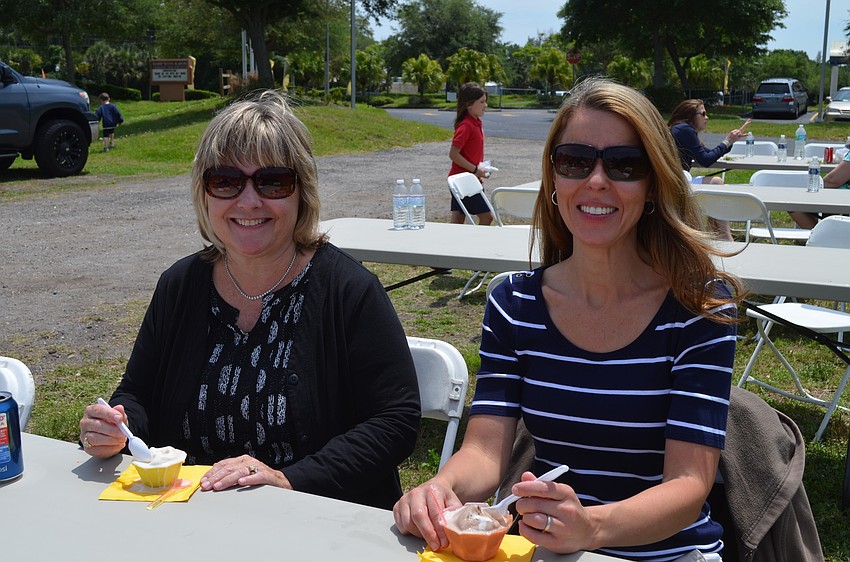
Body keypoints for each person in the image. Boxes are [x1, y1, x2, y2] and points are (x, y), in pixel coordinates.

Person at [394, 78, 746, 561]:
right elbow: (485, 450)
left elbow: (689, 485)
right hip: (554, 552)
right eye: (575, 161)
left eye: (624, 164)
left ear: (652, 185)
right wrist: (440, 487)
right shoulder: (514, 304)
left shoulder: (699, 308)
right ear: (555, 178)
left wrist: (592, 528)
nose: (596, 180)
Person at [79, 90, 421, 510]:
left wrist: (289, 479)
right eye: (225, 180)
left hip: (318, 520)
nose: (248, 201)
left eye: (272, 181)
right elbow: (138, 392)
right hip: (192, 518)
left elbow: (395, 421)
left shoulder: (348, 291)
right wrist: (117, 424)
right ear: (205, 193)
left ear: (302, 192)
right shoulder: (180, 285)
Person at [668, 99, 750, 241]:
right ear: (691, 115)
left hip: (677, 181)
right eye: (703, 113)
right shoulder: (684, 130)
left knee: (715, 185)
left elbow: (707, 154)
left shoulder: (680, 129)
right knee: (716, 183)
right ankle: (724, 235)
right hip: (677, 185)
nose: (707, 117)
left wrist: (728, 142)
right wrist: (727, 141)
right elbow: (705, 160)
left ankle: (717, 233)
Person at [448, 82, 493, 225]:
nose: (485, 105)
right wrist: (475, 170)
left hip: (467, 178)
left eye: (485, 101)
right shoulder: (466, 125)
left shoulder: (476, 123)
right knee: (487, 217)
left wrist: (480, 169)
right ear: (469, 104)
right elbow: (453, 154)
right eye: (481, 102)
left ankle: (450, 245)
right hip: (463, 180)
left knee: (458, 218)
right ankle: (477, 244)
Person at [790, 149, 850, 229]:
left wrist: (813, 189)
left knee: (793, 203)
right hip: (841, 201)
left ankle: (819, 236)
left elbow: (832, 180)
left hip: (840, 201)